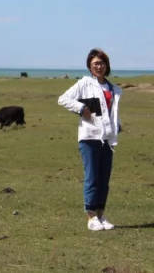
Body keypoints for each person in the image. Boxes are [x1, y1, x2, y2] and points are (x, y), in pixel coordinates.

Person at [58, 48, 122, 231]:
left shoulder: (113, 88)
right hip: (89, 137)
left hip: (108, 139)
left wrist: (117, 124)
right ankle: (91, 216)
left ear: (106, 65)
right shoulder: (84, 84)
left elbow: (111, 111)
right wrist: (80, 108)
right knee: (92, 177)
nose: (99, 66)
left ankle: (101, 216)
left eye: (101, 63)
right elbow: (62, 99)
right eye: (95, 64)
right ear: (89, 67)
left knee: (104, 178)